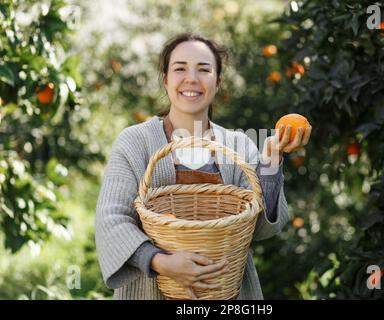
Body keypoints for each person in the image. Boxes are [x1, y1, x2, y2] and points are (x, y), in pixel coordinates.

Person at [95, 33, 312, 300]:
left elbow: (261, 228)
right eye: (180, 69)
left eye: (204, 70)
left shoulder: (239, 146)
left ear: (217, 82)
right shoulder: (135, 142)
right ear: (165, 79)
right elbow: (112, 220)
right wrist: (161, 261)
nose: (192, 79)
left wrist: (271, 160)